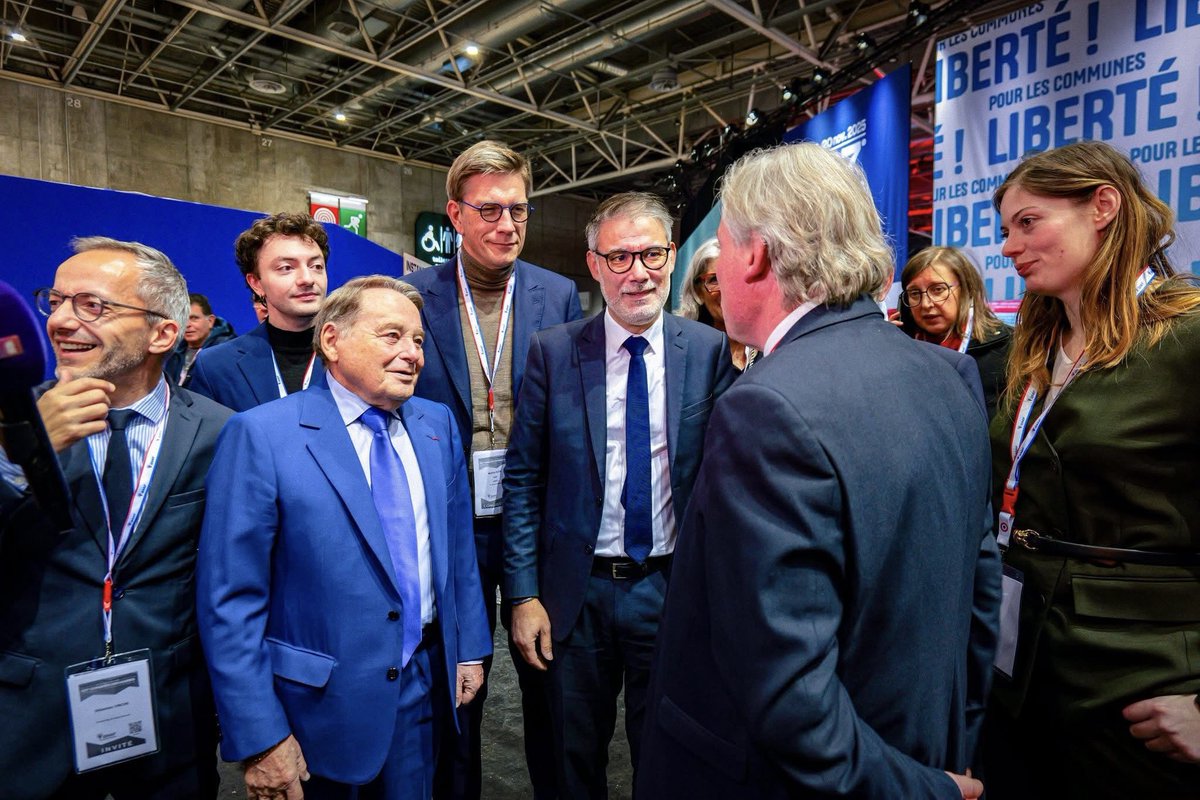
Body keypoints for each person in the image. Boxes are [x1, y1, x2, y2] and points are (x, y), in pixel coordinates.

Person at [637, 144, 999, 800]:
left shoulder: (767, 406)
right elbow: (977, 595)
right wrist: (951, 753)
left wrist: (925, 789)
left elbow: (788, 695)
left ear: (755, 255)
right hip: (924, 748)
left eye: (718, 244)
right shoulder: (951, 377)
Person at [196, 276, 492, 800]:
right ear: (331, 340)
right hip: (313, 710)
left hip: (424, 687)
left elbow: (457, 549)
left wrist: (468, 646)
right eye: (391, 336)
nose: (411, 354)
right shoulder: (263, 435)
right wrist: (261, 737)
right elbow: (230, 602)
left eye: (418, 341)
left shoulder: (436, 424)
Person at [983, 140, 1200, 798]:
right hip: (1024, 677)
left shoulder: (1186, 339)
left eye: (1030, 222)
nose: (1011, 246)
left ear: (1102, 206)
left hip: (1141, 686)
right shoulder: (1034, 346)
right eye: (1005, 231)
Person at [504, 192, 736, 797]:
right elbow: (524, 479)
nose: (638, 272)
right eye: (621, 257)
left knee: (667, 754)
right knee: (569, 757)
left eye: (652, 254)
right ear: (595, 264)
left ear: (670, 258)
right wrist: (524, 593)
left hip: (670, 589)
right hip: (571, 599)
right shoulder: (553, 353)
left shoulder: (710, 352)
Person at [0, 237, 232, 800]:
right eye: (54, 301)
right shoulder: (8, 421)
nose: (59, 321)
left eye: (91, 305)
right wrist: (17, 457)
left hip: (168, 728)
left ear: (162, 334)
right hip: (29, 727)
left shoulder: (223, 432)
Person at [406, 140, 582, 800]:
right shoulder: (414, 296)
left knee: (549, 684)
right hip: (452, 523)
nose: (506, 225)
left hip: (533, 519)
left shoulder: (558, 293)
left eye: (518, 210)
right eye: (489, 210)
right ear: (455, 213)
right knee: (460, 687)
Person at [187, 213, 329, 411]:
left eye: (316, 266)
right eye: (287, 267)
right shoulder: (216, 366)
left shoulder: (355, 356)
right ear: (256, 283)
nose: (307, 278)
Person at [897, 247, 1012, 418]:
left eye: (938, 290)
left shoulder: (1009, 349)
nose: (926, 304)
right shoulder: (900, 350)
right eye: (915, 293)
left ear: (967, 289)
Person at [677, 237, 753, 369]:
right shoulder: (682, 350)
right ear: (698, 291)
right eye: (714, 280)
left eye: (735, 277)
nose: (727, 289)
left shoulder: (768, 345)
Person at [164, 293, 236, 387]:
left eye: (194, 318)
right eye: (183, 319)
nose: (187, 325)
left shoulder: (225, 350)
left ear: (210, 321)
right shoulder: (174, 351)